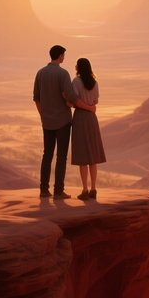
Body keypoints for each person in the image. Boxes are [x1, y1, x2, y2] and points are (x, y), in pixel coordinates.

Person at [33, 44, 95, 199]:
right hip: (63, 121)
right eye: (63, 55)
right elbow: (72, 98)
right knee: (61, 156)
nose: (64, 57)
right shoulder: (63, 74)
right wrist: (89, 107)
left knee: (47, 155)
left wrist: (43, 115)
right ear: (60, 56)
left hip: (47, 121)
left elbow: (36, 98)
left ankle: (43, 190)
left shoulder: (40, 73)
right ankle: (58, 191)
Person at [70, 57, 106, 200]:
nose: (75, 66)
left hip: (80, 117)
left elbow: (74, 100)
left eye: (76, 65)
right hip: (92, 118)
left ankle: (85, 189)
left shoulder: (75, 81)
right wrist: (90, 106)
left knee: (82, 156)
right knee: (92, 156)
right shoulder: (95, 82)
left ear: (79, 67)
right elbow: (96, 100)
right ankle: (93, 188)